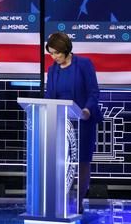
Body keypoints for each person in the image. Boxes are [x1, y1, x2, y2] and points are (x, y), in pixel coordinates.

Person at [45, 32, 101, 213]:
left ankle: (79, 200)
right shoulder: (52, 69)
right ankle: (59, 197)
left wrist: (86, 110)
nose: (54, 57)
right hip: (60, 122)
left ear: (66, 49)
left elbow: (93, 92)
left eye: (56, 53)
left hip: (83, 121)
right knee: (60, 161)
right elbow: (49, 95)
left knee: (82, 161)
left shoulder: (84, 64)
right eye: (51, 53)